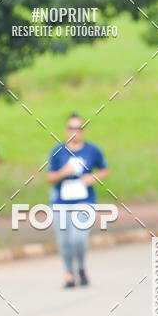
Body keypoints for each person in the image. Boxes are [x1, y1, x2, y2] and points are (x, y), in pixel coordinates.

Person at [47, 114, 109, 288]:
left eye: (79, 128)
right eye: (71, 128)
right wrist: (63, 173)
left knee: (78, 238)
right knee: (64, 241)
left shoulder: (92, 150)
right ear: (66, 131)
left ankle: (80, 267)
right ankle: (69, 274)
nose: (75, 132)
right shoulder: (57, 151)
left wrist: (93, 178)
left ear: (83, 130)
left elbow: (105, 170)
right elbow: (50, 177)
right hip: (61, 202)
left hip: (84, 200)